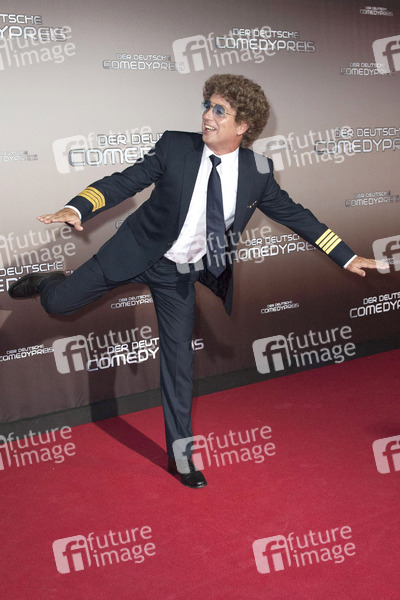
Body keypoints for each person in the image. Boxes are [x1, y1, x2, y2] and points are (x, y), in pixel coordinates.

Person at [8, 74, 385, 488]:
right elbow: (124, 181)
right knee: (58, 303)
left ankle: (181, 457)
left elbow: (297, 216)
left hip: (179, 274)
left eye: (220, 111)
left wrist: (346, 255)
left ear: (243, 126)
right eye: (207, 106)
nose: (207, 116)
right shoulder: (175, 146)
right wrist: (78, 207)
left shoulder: (258, 171)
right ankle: (49, 281)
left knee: (179, 364)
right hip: (135, 251)